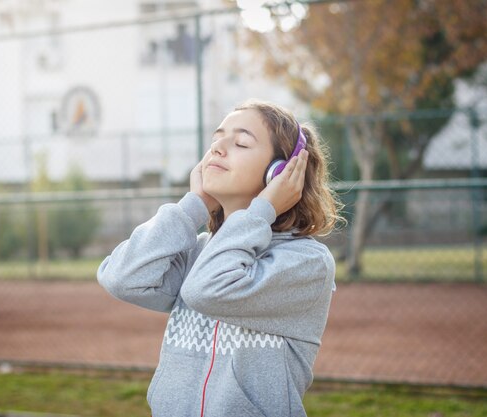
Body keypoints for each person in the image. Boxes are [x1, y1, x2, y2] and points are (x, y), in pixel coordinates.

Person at [97, 99, 343, 417]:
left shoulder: (306, 263)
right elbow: (120, 276)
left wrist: (263, 209)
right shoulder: (199, 251)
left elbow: (206, 290)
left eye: (241, 142)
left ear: (280, 173)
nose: (218, 149)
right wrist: (195, 204)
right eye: (216, 140)